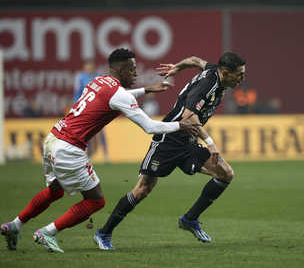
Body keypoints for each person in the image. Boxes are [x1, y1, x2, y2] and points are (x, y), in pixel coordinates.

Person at [0, 48, 199, 253]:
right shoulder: (118, 93)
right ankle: (48, 232)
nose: (136, 74)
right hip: (69, 148)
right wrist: (180, 125)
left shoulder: (99, 81)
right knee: (96, 201)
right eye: (133, 69)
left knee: (55, 191)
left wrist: (145, 90)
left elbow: (116, 96)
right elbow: (149, 127)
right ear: (121, 71)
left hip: (53, 138)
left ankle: (14, 225)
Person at [94, 53, 245, 250]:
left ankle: (190, 219)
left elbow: (194, 60)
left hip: (188, 141)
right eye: (239, 75)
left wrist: (178, 67)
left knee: (226, 174)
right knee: (142, 190)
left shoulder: (214, 70)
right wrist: (210, 143)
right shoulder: (208, 85)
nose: (241, 79)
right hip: (169, 139)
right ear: (225, 73)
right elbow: (188, 116)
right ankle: (103, 233)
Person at [73, 59, 109, 161]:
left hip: (98, 109)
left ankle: (106, 154)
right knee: (86, 132)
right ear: (84, 66)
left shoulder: (99, 77)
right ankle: (88, 155)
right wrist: (76, 108)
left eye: (91, 65)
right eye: (88, 65)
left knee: (101, 132)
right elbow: (77, 95)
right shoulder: (80, 78)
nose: (90, 67)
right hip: (85, 109)